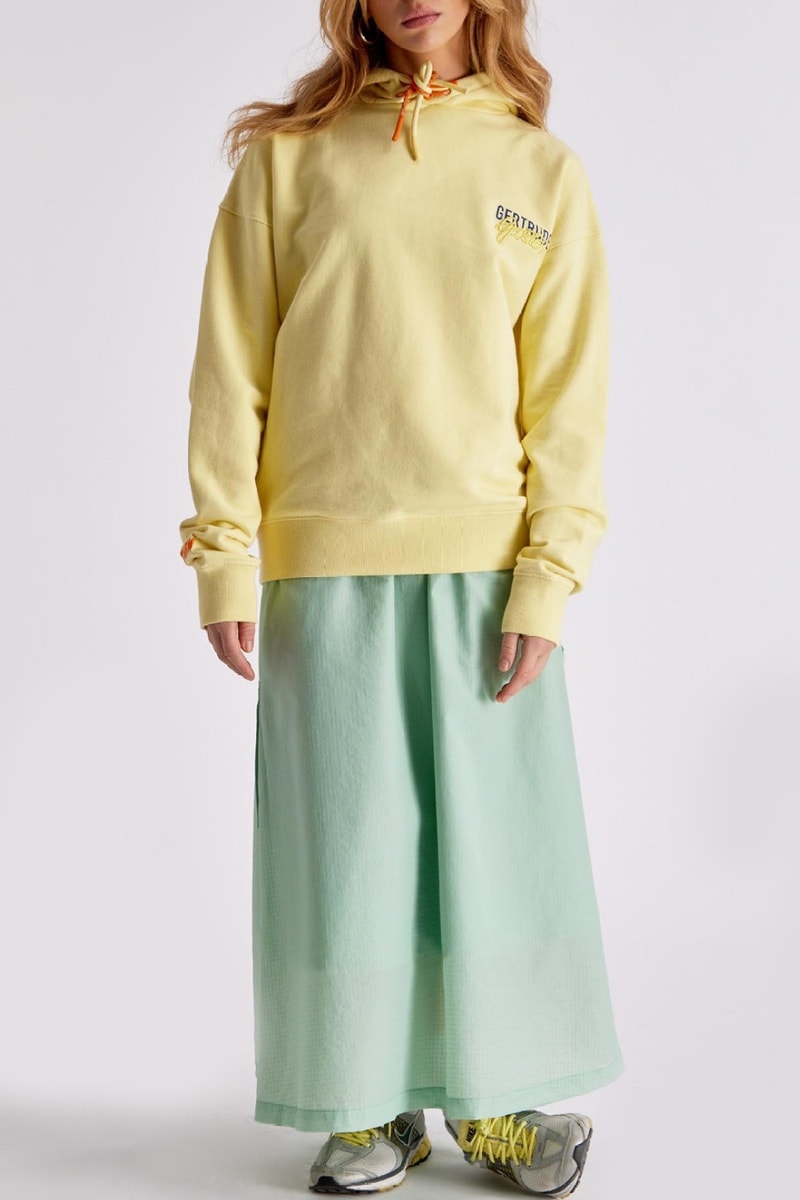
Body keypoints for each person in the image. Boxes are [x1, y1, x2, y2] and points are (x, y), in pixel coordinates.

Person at [178, 0, 624, 1194]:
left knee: (494, 851)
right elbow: (229, 370)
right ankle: (368, 1105)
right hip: (323, 562)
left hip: (487, 572)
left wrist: (547, 577)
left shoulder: (537, 170)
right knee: (350, 851)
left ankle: (498, 1110)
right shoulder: (286, 162)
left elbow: (567, 401)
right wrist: (224, 552)